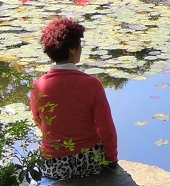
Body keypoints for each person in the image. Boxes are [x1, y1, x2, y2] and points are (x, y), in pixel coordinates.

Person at [29, 16, 119, 180]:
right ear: (72, 49)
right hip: (89, 161)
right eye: (79, 44)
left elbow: (38, 121)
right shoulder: (91, 84)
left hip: (53, 165)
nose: (80, 49)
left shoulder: (37, 86)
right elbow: (107, 129)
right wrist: (111, 160)